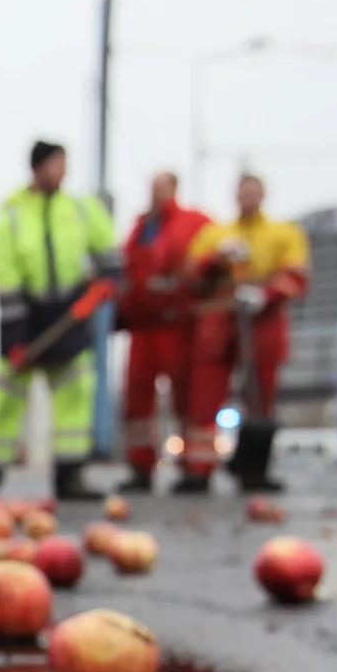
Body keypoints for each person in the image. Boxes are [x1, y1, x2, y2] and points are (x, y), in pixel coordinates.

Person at [0, 139, 119, 500]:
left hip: (71, 313)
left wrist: (105, 282)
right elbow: (6, 278)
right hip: (27, 316)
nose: (62, 172)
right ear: (36, 168)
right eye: (55, 164)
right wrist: (15, 339)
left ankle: (70, 476)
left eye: (64, 164)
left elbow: (109, 254)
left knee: (75, 394)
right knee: (7, 399)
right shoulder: (12, 215)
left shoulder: (81, 210)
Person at [186, 173, 308, 492]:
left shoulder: (283, 234)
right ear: (235, 195)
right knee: (205, 397)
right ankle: (199, 468)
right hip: (219, 320)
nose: (248, 198)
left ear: (263, 194)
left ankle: (253, 469)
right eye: (243, 192)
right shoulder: (216, 234)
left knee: (260, 396)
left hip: (262, 322)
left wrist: (266, 294)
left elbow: (296, 276)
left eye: (254, 192)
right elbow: (193, 276)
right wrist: (217, 259)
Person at [118, 171, 212, 493]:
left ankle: (194, 466)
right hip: (144, 326)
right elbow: (129, 271)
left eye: (162, 187)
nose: (156, 193)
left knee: (185, 396)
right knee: (137, 400)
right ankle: (140, 466)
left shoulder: (193, 222)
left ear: (175, 188)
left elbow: (207, 264)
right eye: (152, 187)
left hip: (177, 324)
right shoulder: (141, 228)